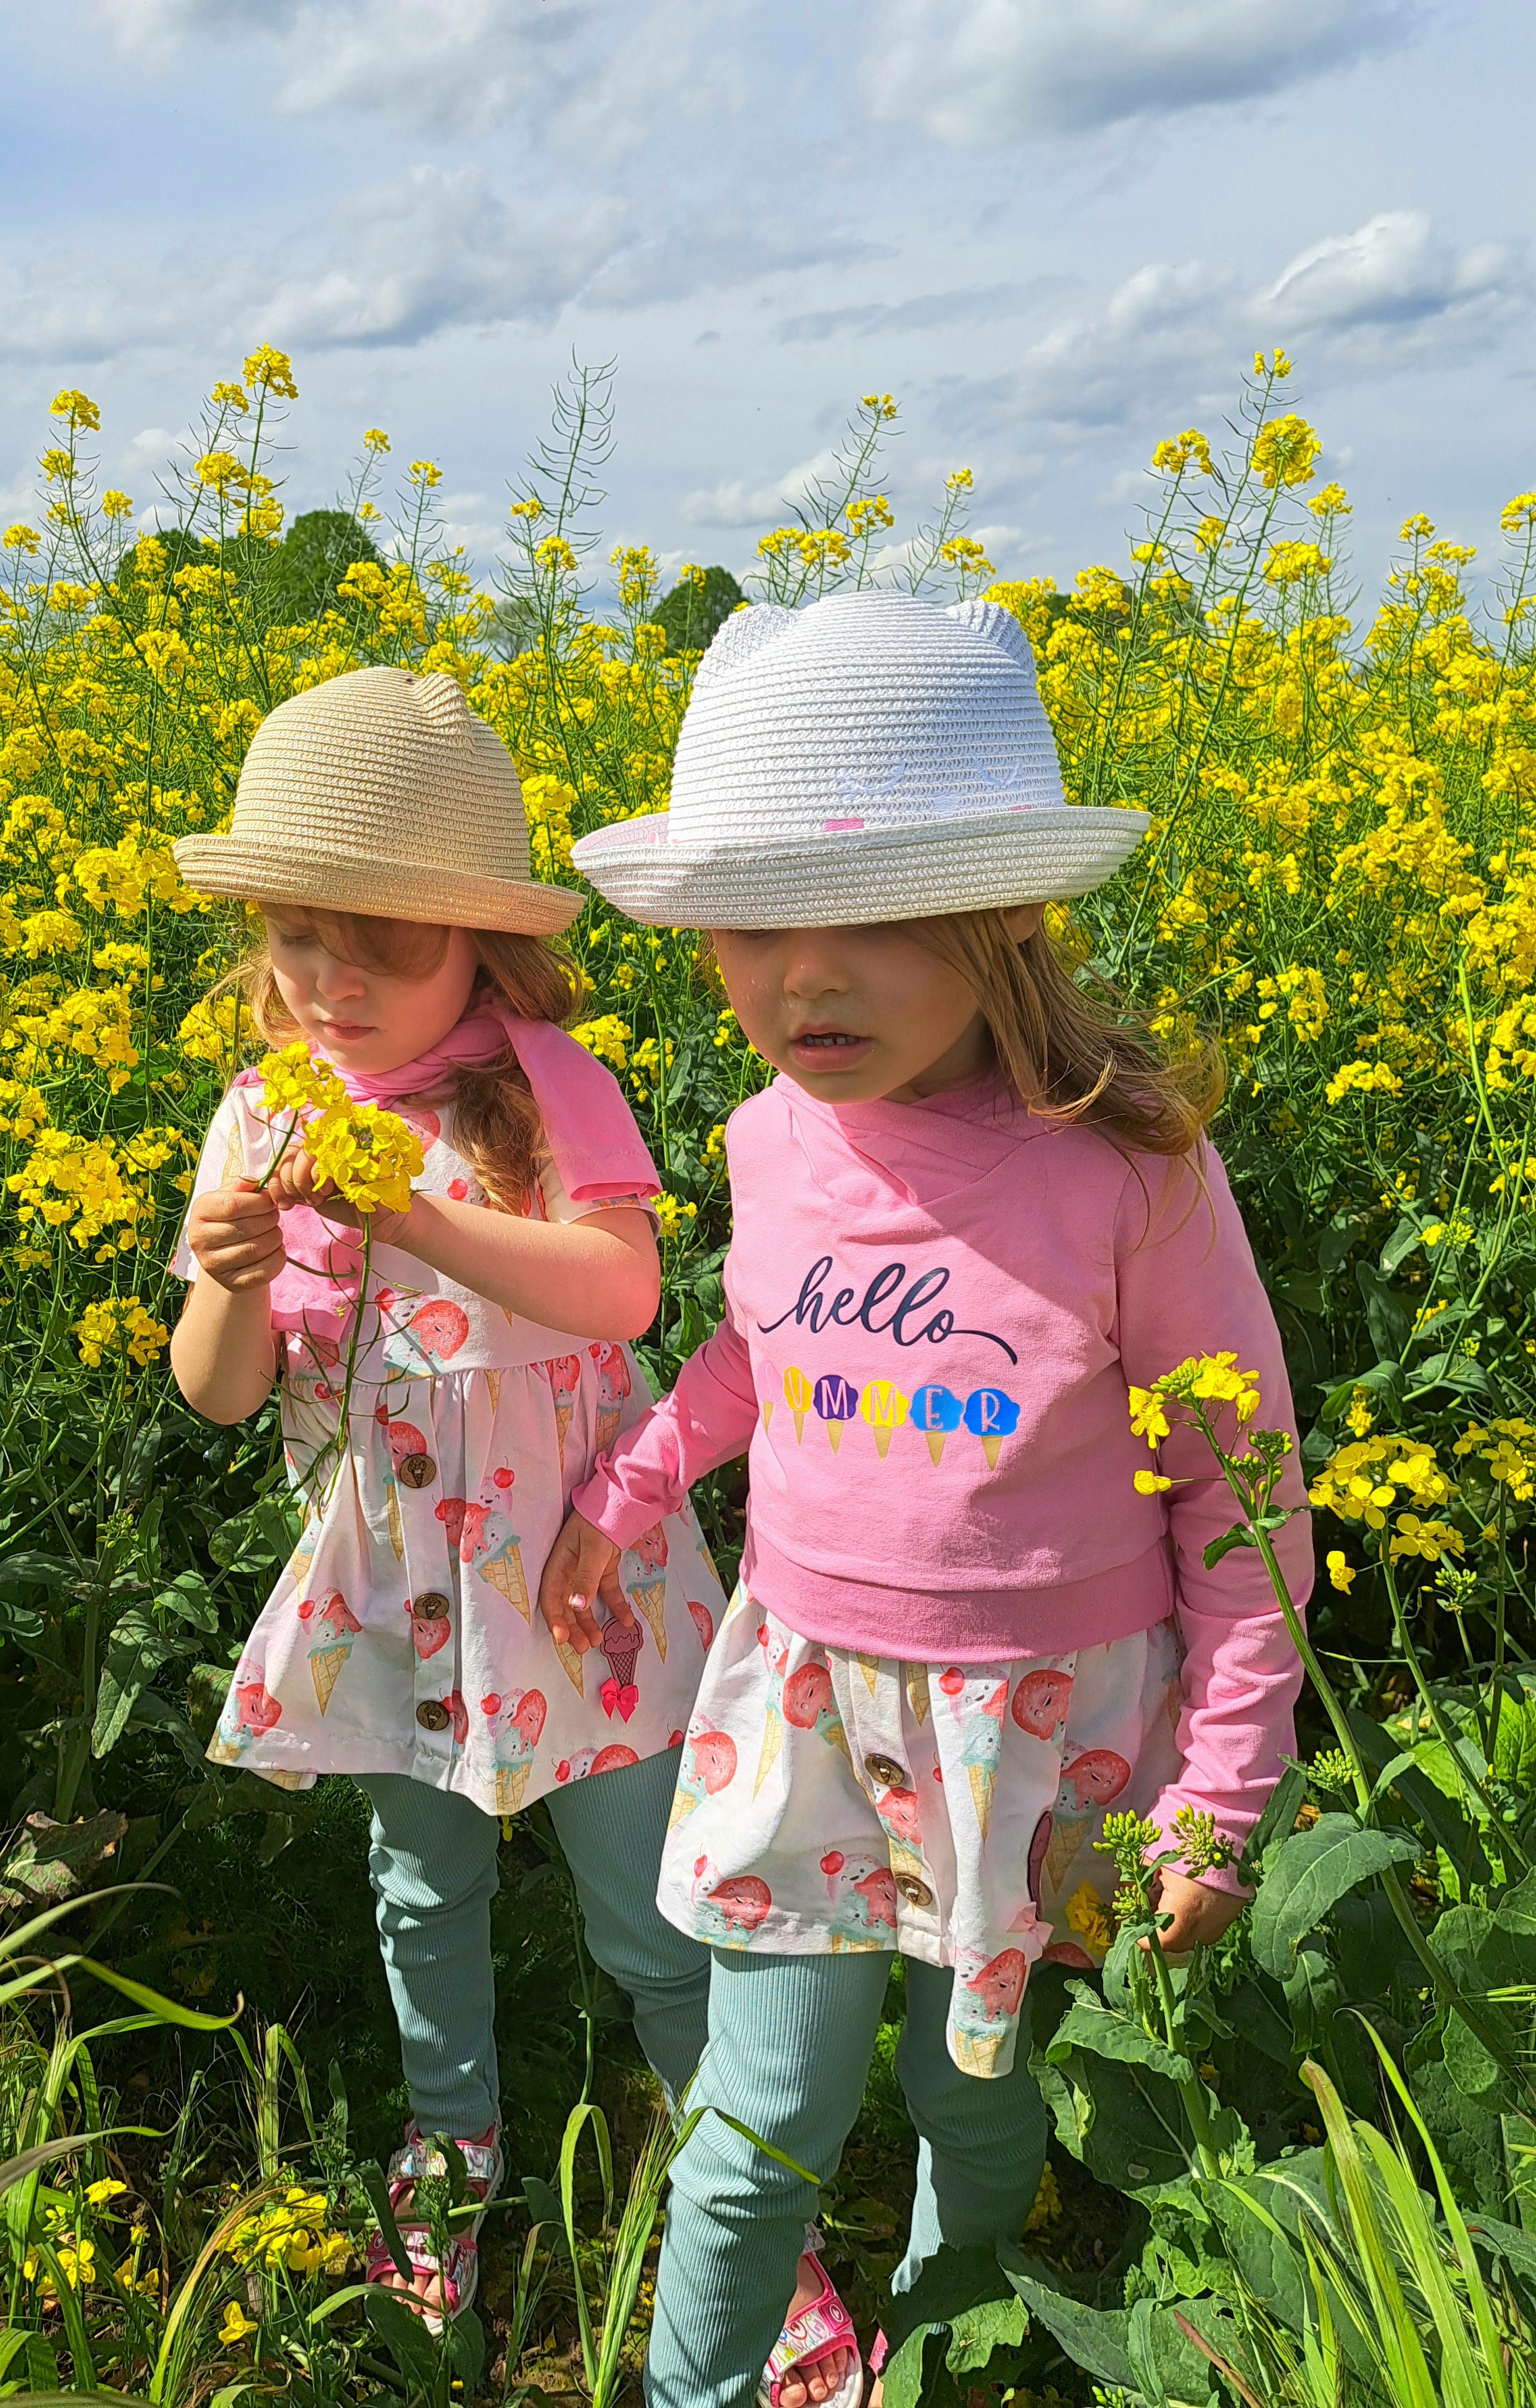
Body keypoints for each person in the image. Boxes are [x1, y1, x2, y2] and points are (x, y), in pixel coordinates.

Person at [537, 593, 1312, 2408]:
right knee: (753, 2125)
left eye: (871, 924)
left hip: (1036, 1732)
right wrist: (639, 1481)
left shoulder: (1131, 1173)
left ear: (1005, 916)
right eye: (749, 927)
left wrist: (1225, 1790)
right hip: (806, 1697)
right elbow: (757, 1343)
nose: (800, 980)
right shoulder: (765, 1136)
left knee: (986, 2096)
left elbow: (1238, 1494)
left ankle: (947, 2330)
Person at [168, 665, 726, 2325]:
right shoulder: (266, 1108)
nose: (331, 979)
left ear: (482, 940)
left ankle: (738, 2201)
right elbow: (224, 1393)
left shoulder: (546, 1085)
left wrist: (411, 1208)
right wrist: (226, 1273)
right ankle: (451, 2145)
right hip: (399, 1589)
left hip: (580, 1572)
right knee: (426, 1891)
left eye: (387, 941)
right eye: (294, 930)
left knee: (655, 1916)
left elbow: (621, 1293)